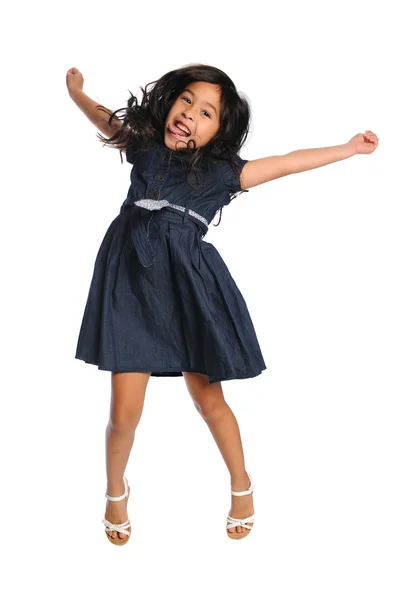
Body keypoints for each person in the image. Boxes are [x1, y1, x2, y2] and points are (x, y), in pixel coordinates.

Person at [66, 63, 379, 545]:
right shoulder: (145, 146)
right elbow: (106, 119)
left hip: (188, 291)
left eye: (206, 112)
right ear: (170, 102)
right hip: (130, 288)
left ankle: (242, 484)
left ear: (220, 132)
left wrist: (349, 148)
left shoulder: (222, 173)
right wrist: (77, 92)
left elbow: (290, 160)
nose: (190, 113)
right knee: (123, 413)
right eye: (186, 100)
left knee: (209, 400)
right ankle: (115, 490)